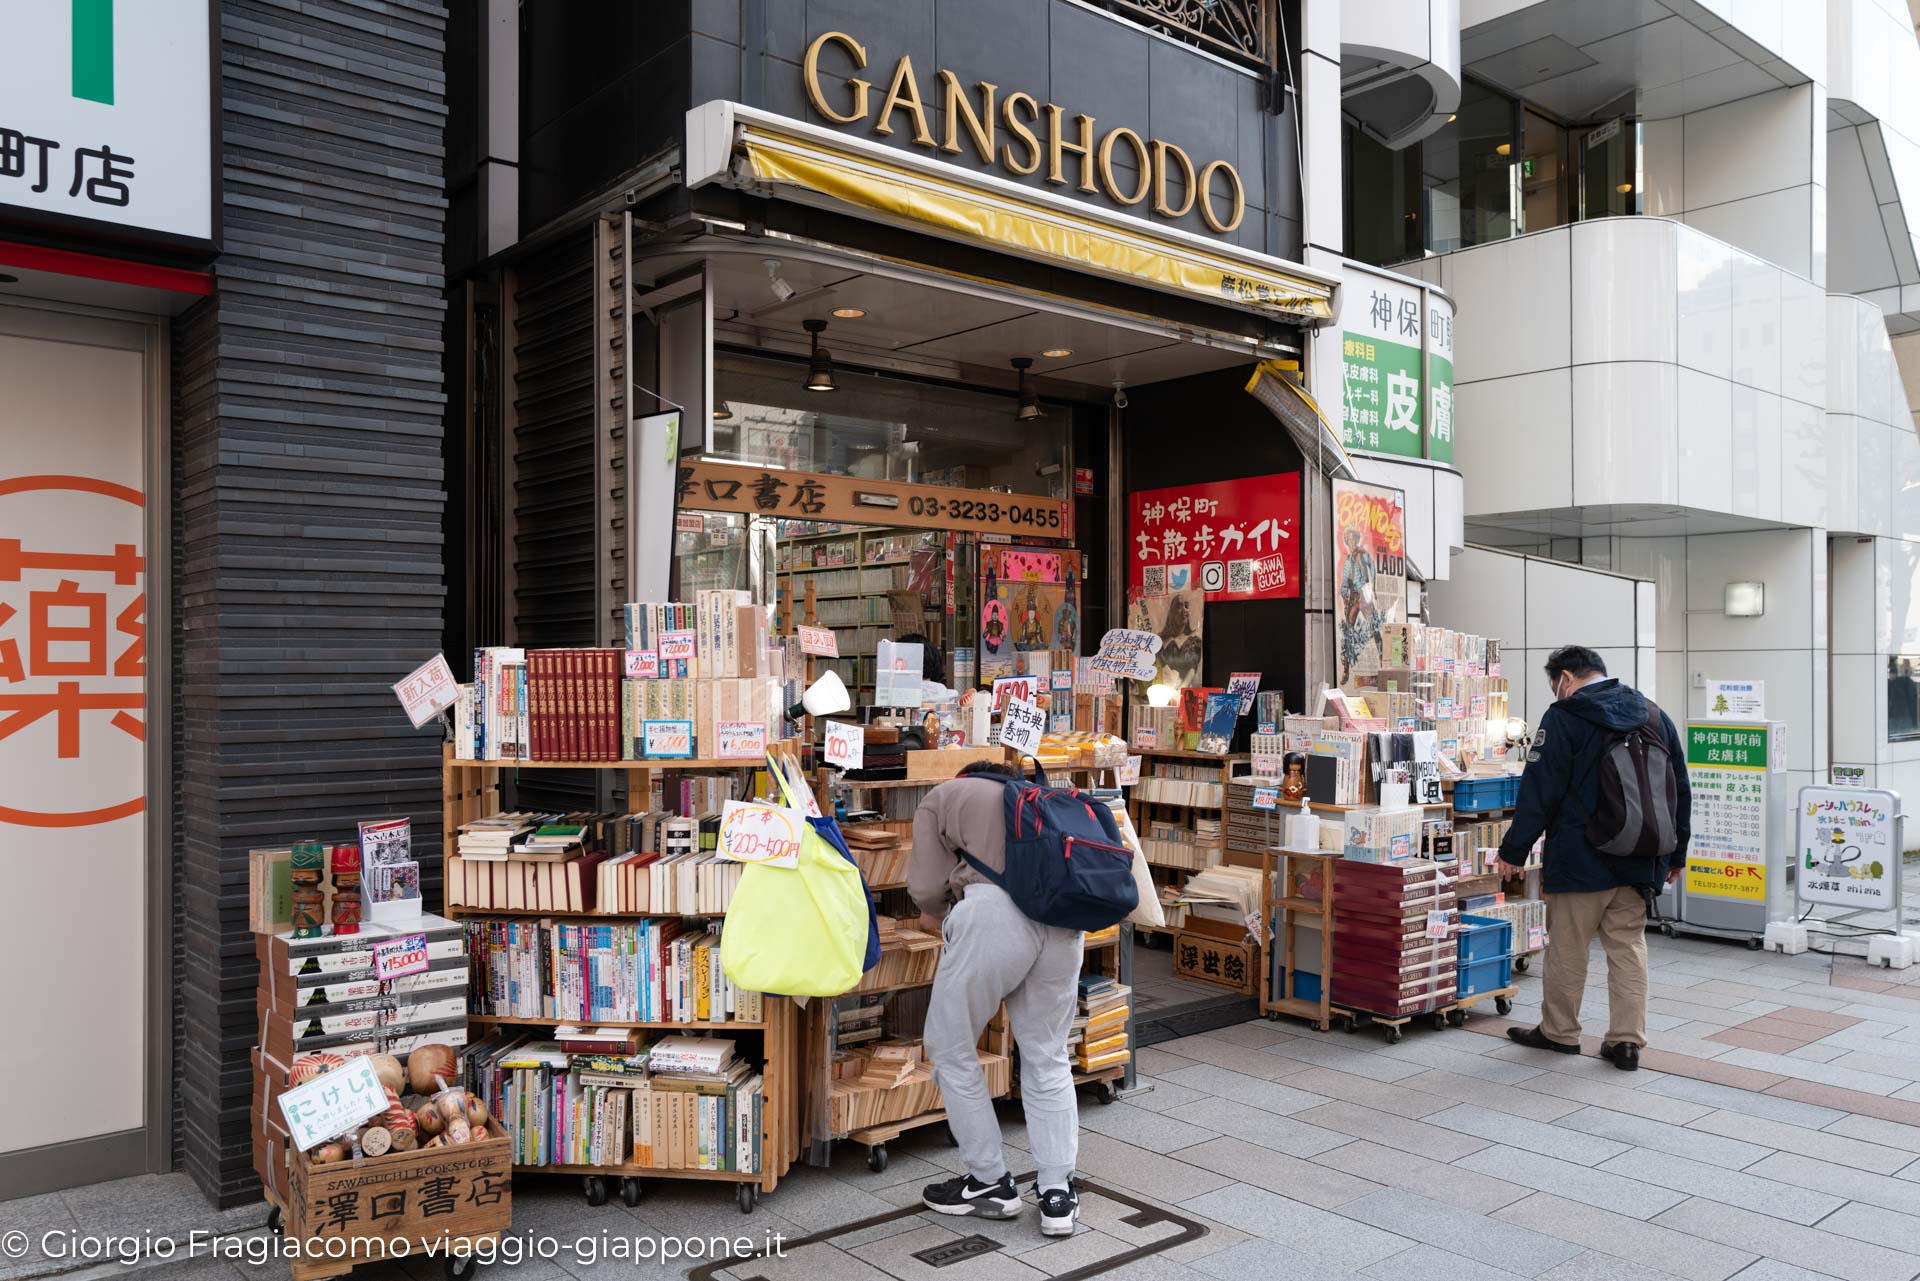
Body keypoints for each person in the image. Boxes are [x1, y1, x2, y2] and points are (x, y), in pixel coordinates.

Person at [909, 761, 1082, 1235]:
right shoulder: (1042, 800)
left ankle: (988, 1180)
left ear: (965, 778)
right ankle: (1056, 1195)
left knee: (951, 1046)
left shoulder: (944, 796)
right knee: (1047, 1054)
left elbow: (924, 887)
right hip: (1064, 920)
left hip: (991, 916)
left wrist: (938, 913)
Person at [1498, 646, 1690, 1071]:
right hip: (1641, 857)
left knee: (1568, 947)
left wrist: (1513, 850)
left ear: (1566, 678)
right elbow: (1680, 787)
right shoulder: (1654, 715)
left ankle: (1560, 1033)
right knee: (1628, 948)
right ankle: (1626, 1042)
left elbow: (1540, 792)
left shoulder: (1564, 717)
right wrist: (1677, 852)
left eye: (1556, 685)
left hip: (1580, 858)